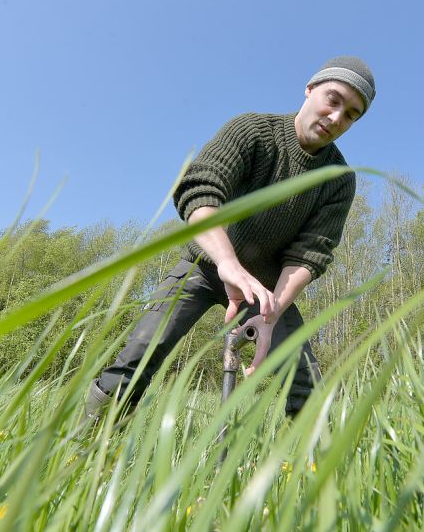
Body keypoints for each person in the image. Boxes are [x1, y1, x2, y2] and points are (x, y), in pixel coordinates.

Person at [84, 56, 375, 421]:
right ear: (310, 89)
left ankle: (309, 468)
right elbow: (200, 193)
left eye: (351, 114)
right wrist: (228, 263)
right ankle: (90, 447)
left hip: (266, 290)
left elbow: (310, 255)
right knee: (141, 351)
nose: (336, 118)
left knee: (305, 380)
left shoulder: (338, 179)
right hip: (205, 265)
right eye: (333, 100)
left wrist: (270, 316)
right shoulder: (251, 131)